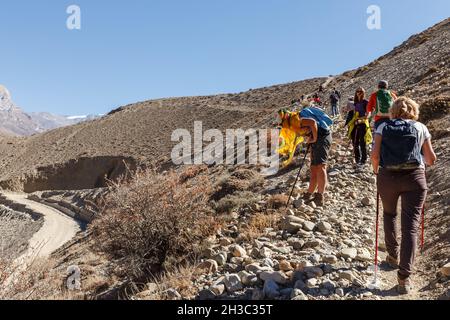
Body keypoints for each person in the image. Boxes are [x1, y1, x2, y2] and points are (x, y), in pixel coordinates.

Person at [371, 97, 437, 294]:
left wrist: (377, 172)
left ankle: (392, 256)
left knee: (389, 214)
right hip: (414, 178)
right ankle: (404, 278)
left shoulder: (382, 126)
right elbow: (431, 159)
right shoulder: (420, 127)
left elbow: (374, 155)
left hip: (387, 176)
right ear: (413, 110)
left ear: (393, 110)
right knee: (411, 227)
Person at [298, 106, 333, 206]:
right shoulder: (296, 123)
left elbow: (313, 123)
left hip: (323, 137)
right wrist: (311, 139)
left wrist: (314, 138)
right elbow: (308, 130)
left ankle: (320, 196)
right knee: (313, 167)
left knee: (321, 166)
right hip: (316, 138)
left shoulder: (299, 120)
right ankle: (309, 194)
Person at [349, 87, 370, 166]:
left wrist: (360, 119)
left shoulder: (365, 102)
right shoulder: (356, 102)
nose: (358, 93)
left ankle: (363, 160)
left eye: (360, 91)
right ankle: (357, 159)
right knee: (355, 142)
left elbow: (368, 115)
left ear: (363, 92)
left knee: (362, 142)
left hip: (363, 123)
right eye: (357, 91)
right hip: (355, 123)